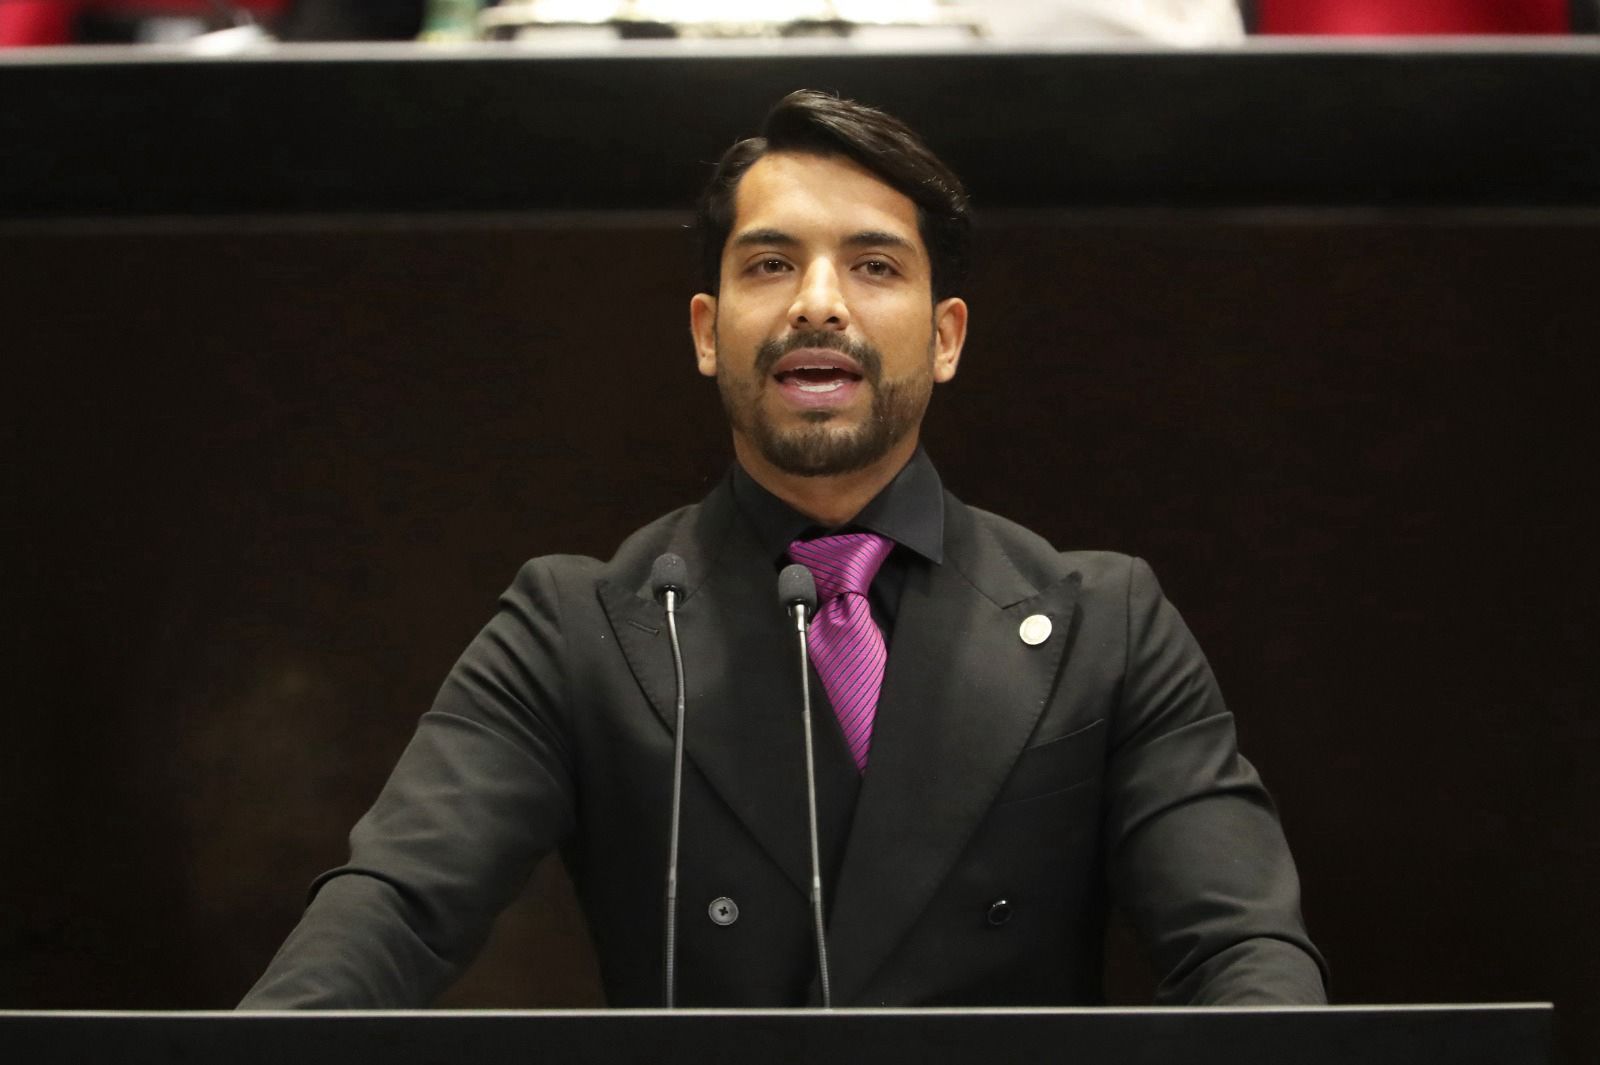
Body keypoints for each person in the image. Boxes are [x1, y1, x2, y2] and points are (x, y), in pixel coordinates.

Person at [241, 90, 1327, 1009]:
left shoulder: (1106, 622)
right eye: (770, 263)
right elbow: (393, 910)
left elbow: (1240, 953)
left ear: (945, 337)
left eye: (873, 266)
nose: (818, 304)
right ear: (706, 332)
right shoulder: (577, 627)